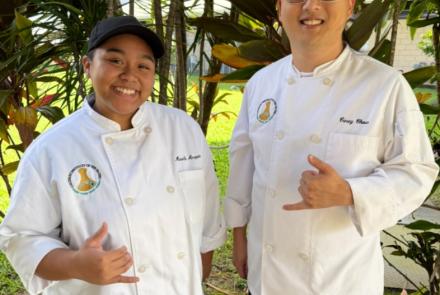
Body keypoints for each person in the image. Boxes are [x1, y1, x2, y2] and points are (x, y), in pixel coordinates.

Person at [224, 0, 439, 294]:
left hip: (340, 278)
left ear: (349, 6)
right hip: (269, 273)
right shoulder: (261, 83)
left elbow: (417, 171)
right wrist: (239, 237)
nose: (311, 6)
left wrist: (349, 192)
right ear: (279, 8)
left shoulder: (384, 85)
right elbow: (243, 165)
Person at [0, 15, 226, 295]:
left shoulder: (183, 129)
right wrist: (75, 264)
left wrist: (195, 279)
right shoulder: (52, 150)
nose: (130, 75)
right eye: (115, 61)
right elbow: (21, 238)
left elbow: (207, 223)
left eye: (143, 65)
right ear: (87, 66)